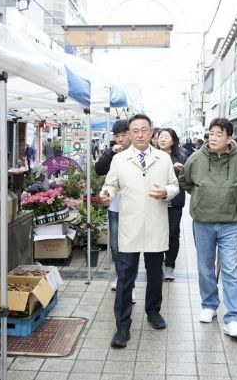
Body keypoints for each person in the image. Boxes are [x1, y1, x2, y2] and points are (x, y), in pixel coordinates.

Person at [100, 114, 179, 348]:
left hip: (155, 222)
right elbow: (110, 184)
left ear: (151, 132)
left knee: (155, 273)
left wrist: (165, 192)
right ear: (129, 134)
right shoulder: (119, 159)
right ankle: (122, 326)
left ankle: (153, 311)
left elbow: (174, 185)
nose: (140, 134)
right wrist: (107, 194)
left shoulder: (163, 158)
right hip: (130, 224)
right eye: (135, 131)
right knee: (125, 276)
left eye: (144, 130)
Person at [179, 117, 237, 339]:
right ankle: (209, 304)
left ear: (229, 138)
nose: (213, 138)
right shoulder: (195, 158)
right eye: (211, 133)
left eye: (219, 134)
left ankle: (233, 318)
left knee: (230, 269)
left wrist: (231, 197)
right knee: (205, 267)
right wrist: (201, 196)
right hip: (203, 222)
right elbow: (185, 181)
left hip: (230, 223)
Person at [94, 120, 136, 302]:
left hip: (133, 208)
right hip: (115, 207)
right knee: (116, 247)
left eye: (124, 135)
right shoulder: (112, 152)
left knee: (132, 248)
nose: (120, 139)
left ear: (131, 134)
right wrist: (111, 153)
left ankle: (129, 285)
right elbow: (98, 169)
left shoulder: (138, 152)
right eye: (117, 136)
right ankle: (122, 278)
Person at [157, 128, 187, 281]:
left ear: (173, 141)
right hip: (156, 201)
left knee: (173, 234)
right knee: (156, 233)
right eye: (160, 137)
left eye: (166, 137)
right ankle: (156, 264)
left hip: (174, 202)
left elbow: (188, 179)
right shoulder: (152, 156)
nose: (162, 139)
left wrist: (181, 170)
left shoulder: (181, 157)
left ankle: (169, 265)